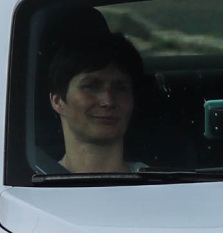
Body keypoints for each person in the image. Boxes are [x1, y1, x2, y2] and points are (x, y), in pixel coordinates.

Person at [37, 12, 148, 175]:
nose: (108, 101)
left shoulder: (164, 187)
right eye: (91, 86)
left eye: (120, 88)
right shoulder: (29, 191)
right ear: (57, 100)